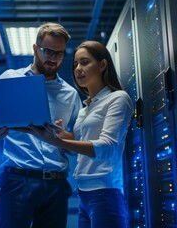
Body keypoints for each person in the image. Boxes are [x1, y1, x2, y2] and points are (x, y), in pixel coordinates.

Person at [0, 22, 82, 228]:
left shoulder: (70, 94)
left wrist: (60, 137)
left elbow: (79, 141)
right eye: (47, 51)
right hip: (16, 181)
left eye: (59, 54)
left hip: (56, 184)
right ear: (35, 49)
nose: (53, 58)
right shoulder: (10, 78)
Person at [29, 40, 133, 228]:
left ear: (102, 65)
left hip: (105, 193)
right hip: (84, 193)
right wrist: (59, 133)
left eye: (85, 62)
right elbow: (81, 143)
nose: (78, 69)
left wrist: (58, 142)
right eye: (75, 64)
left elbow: (106, 147)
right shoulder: (86, 107)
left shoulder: (118, 99)